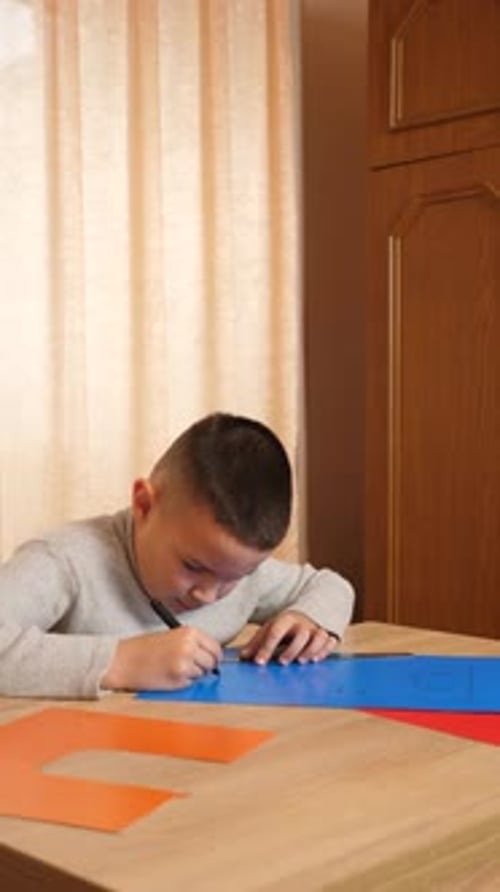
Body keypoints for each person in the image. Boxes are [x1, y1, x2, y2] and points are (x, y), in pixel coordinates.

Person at [0, 413, 354, 698]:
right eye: (193, 566)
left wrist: (311, 618)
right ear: (144, 505)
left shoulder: (240, 572)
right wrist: (120, 661)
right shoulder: (67, 560)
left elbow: (328, 585)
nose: (208, 594)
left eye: (236, 577)